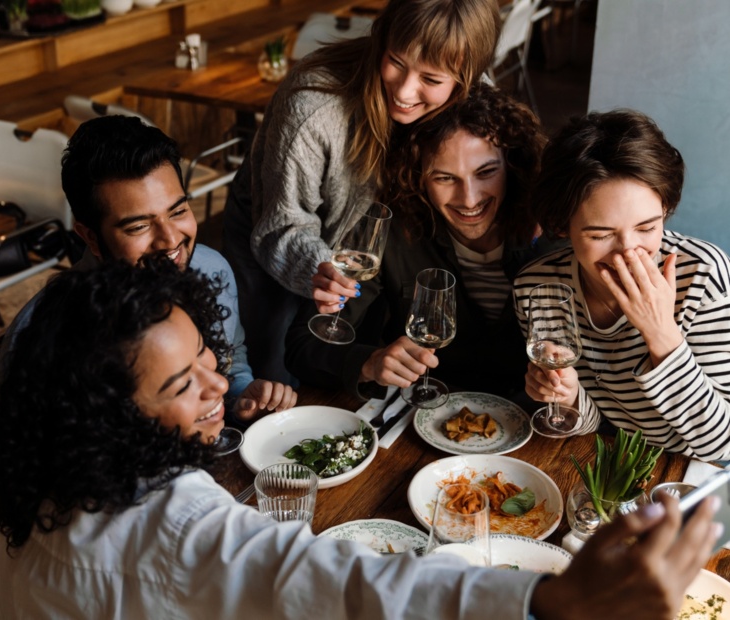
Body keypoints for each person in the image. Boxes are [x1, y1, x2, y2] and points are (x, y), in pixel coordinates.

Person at [0, 255, 722, 619]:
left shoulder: (41, 498)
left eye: (206, 358)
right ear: (105, 416)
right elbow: (349, 587)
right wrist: (545, 604)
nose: (219, 386)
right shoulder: (173, 528)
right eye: (182, 386)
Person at [222, 0, 502, 385]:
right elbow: (282, 223)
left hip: (365, 236)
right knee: (273, 370)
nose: (404, 91)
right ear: (381, 38)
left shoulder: (476, 94)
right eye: (396, 62)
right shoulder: (312, 108)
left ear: (466, 77)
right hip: (277, 230)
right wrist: (318, 271)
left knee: (354, 357)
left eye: (432, 80)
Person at [1, 115, 296, 425]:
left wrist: (243, 396)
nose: (170, 240)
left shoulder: (211, 269)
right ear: (90, 237)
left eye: (178, 211)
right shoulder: (43, 335)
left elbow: (230, 366)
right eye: (139, 226)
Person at [287, 83, 550, 405]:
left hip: (534, 422)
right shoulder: (391, 232)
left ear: (512, 165)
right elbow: (303, 346)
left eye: (486, 172)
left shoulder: (551, 233)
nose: (469, 199)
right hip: (422, 416)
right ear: (417, 178)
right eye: (444, 178)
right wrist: (369, 363)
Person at [513, 109, 730, 461]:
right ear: (561, 225)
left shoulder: (703, 277)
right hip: (604, 458)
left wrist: (660, 332)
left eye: (647, 228)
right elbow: (598, 422)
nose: (628, 252)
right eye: (600, 234)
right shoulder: (539, 288)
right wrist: (568, 399)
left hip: (683, 469)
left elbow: (720, 444)